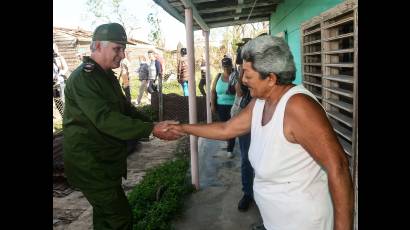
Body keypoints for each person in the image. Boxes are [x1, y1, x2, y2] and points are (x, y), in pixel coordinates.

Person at [164, 35, 354, 230]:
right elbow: (226, 128)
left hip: (303, 222)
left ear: (271, 78)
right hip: (276, 221)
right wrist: (181, 128)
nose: (243, 80)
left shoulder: (298, 107)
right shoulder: (261, 102)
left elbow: (338, 168)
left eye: (247, 74)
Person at [63, 23, 180, 230]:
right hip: (91, 164)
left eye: (123, 48)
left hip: (106, 161)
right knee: (120, 218)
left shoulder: (106, 76)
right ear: (97, 46)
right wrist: (151, 129)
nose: (123, 54)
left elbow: (125, 109)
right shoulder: (84, 78)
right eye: (117, 48)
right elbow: (105, 119)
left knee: (104, 217)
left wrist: (152, 124)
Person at [230, 38, 254, 212]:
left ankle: (262, 195)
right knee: (246, 158)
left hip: (264, 118)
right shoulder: (242, 72)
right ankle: (248, 193)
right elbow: (239, 91)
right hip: (246, 117)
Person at [210, 56, 237, 158]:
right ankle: (228, 142)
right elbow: (213, 91)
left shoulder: (235, 76)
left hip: (233, 106)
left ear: (231, 66)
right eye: (224, 66)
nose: (226, 68)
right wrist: (213, 105)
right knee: (224, 127)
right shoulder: (218, 77)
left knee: (231, 127)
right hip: (221, 106)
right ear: (222, 66)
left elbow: (240, 92)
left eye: (228, 66)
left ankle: (230, 149)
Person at [53, 43, 69, 115]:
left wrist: (59, 74)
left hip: (59, 82)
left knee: (61, 100)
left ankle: (65, 116)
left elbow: (66, 68)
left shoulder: (60, 58)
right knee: (57, 101)